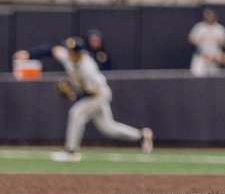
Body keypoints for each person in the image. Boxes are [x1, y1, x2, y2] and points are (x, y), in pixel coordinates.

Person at [13, 36, 153, 162]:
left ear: (81, 52)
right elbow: (51, 49)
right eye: (69, 49)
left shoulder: (88, 67)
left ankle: (71, 152)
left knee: (76, 114)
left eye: (73, 51)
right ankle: (141, 136)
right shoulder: (66, 56)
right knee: (108, 128)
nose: (70, 52)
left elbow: (92, 91)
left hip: (99, 94)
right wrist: (29, 53)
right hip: (92, 93)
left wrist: (74, 95)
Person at [187, 8, 225, 77]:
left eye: (210, 16)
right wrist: (200, 40)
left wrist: (218, 52)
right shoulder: (200, 27)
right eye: (207, 16)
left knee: (214, 78)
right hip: (201, 56)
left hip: (214, 57)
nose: (209, 18)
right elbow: (191, 39)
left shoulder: (219, 28)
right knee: (197, 75)